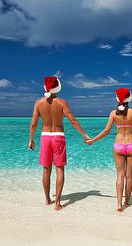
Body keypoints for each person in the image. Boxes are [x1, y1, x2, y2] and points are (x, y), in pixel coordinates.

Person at [29, 76, 90, 210]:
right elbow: (72, 120)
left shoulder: (38, 103)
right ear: (58, 87)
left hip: (45, 137)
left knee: (46, 170)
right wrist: (84, 134)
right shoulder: (62, 102)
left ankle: (47, 200)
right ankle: (57, 203)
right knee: (60, 169)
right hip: (58, 137)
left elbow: (33, 124)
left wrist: (31, 139)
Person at [85, 88, 132, 212]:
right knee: (129, 176)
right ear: (130, 98)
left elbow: (106, 131)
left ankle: (119, 204)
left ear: (118, 99)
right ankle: (127, 201)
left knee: (120, 175)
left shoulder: (113, 113)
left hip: (118, 146)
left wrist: (93, 140)